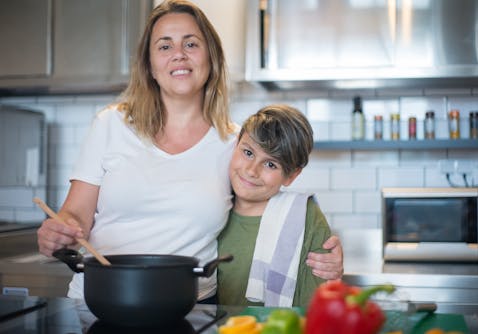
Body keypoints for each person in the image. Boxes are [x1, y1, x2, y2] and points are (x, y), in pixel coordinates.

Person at [36, 0, 343, 302]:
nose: (179, 55)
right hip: (102, 298)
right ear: (150, 65)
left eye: (191, 44)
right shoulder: (110, 124)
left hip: (192, 306)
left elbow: (270, 210)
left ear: (211, 59)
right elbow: (75, 214)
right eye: (165, 46)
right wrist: (60, 231)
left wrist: (317, 249)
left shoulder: (235, 143)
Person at [217, 105, 334, 308]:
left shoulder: (304, 217)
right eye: (248, 152)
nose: (252, 170)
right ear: (236, 144)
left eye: (271, 164)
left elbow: (315, 308)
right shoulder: (212, 208)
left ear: (292, 175)